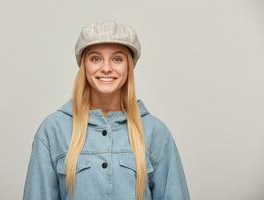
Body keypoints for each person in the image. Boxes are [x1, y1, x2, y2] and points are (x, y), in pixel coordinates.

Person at [22, 20, 190, 200]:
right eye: (96, 58)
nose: (107, 68)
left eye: (117, 59)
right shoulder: (53, 130)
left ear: (129, 67)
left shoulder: (156, 133)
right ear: (84, 66)